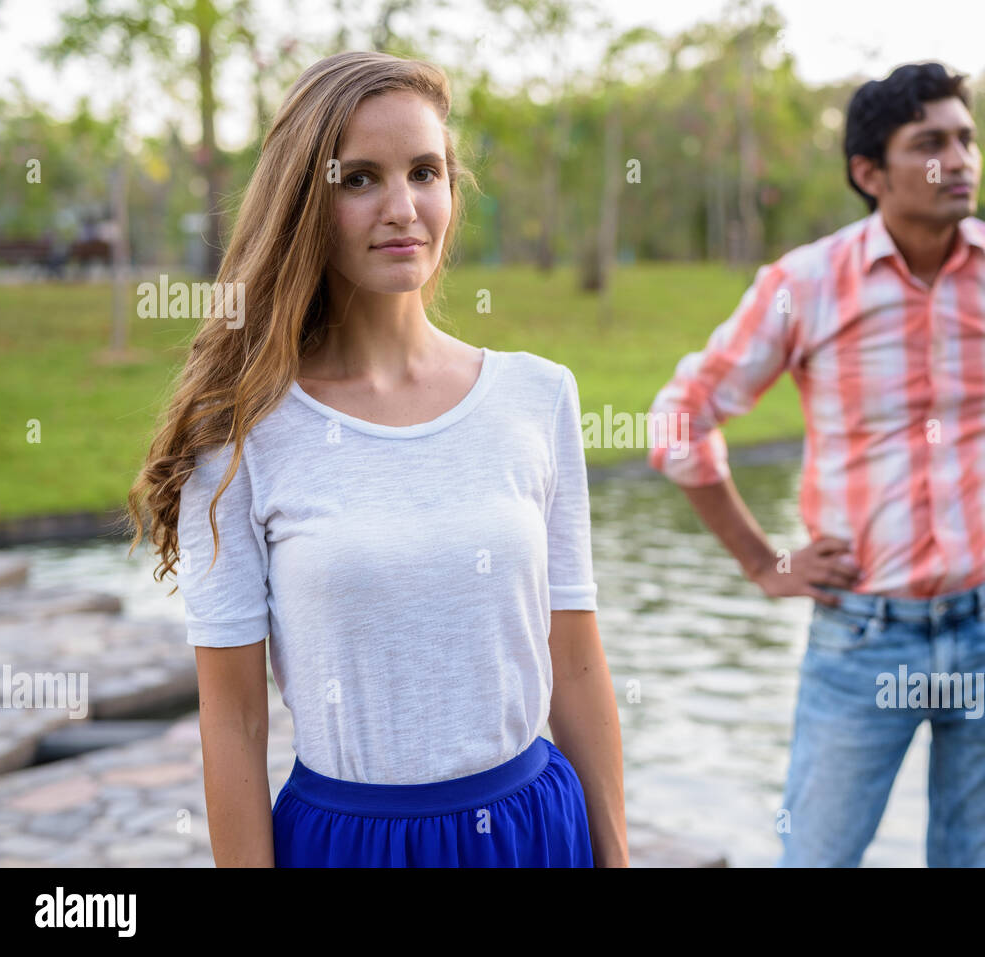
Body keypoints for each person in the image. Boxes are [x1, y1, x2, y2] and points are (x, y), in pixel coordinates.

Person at [126, 51, 627, 868]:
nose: (403, 207)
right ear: (306, 204)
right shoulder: (240, 429)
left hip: (536, 833)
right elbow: (234, 722)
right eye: (360, 178)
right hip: (349, 843)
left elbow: (574, 659)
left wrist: (617, 857)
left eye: (425, 172)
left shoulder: (539, 397)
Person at [645, 61, 985, 867]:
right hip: (865, 634)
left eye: (969, 138)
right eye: (932, 142)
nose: (963, 159)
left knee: (972, 858)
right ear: (868, 173)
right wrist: (762, 559)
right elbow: (681, 416)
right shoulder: (803, 285)